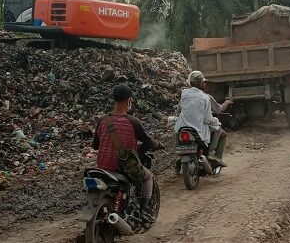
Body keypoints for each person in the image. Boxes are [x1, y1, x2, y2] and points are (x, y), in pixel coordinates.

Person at [91, 84, 162, 222]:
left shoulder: (102, 121)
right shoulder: (133, 122)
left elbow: (95, 146)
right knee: (148, 177)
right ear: (129, 100)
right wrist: (158, 144)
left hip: (102, 167)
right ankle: (144, 211)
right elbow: (148, 141)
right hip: (123, 167)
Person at [174, 71, 233, 167]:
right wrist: (226, 103)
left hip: (183, 126)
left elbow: (179, 110)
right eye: (204, 83)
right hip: (198, 129)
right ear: (202, 83)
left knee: (177, 129)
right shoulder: (206, 98)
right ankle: (212, 154)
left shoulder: (184, 93)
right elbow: (208, 118)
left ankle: (178, 155)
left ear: (190, 83)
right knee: (219, 130)